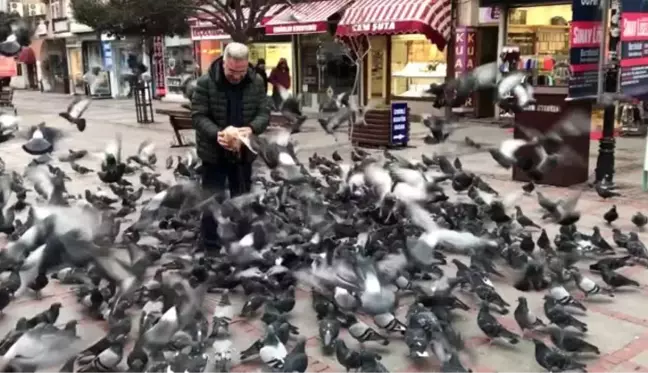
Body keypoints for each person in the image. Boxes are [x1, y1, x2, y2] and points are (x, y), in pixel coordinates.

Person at [191, 42, 270, 253]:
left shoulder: (257, 82)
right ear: (223, 62)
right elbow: (198, 116)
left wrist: (251, 129)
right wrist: (216, 134)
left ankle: (243, 245)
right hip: (213, 154)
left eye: (242, 71)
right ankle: (210, 247)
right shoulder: (206, 82)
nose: (237, 76)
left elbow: (264, 113)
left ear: (248, 66)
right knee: (211, 200)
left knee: (242, 201)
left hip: (243, 154)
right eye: (232, 71)